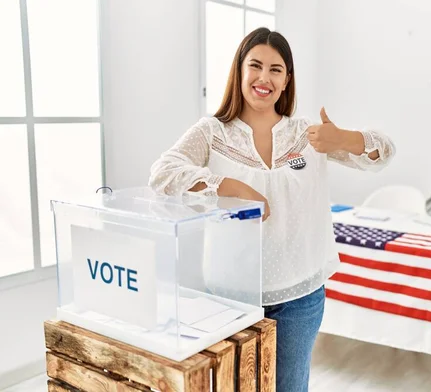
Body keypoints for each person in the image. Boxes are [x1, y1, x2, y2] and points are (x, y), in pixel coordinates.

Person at [148, 27, 395, 391]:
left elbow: (383, 154)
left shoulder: (307, 134)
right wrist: (229, 187)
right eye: (256, 66)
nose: (265, 78)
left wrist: (345, 139)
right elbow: (162, 174)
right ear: (240, 71)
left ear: (286, 80)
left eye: (276, 69)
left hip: (300, 295)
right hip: (230, 295)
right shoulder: (213, 132)